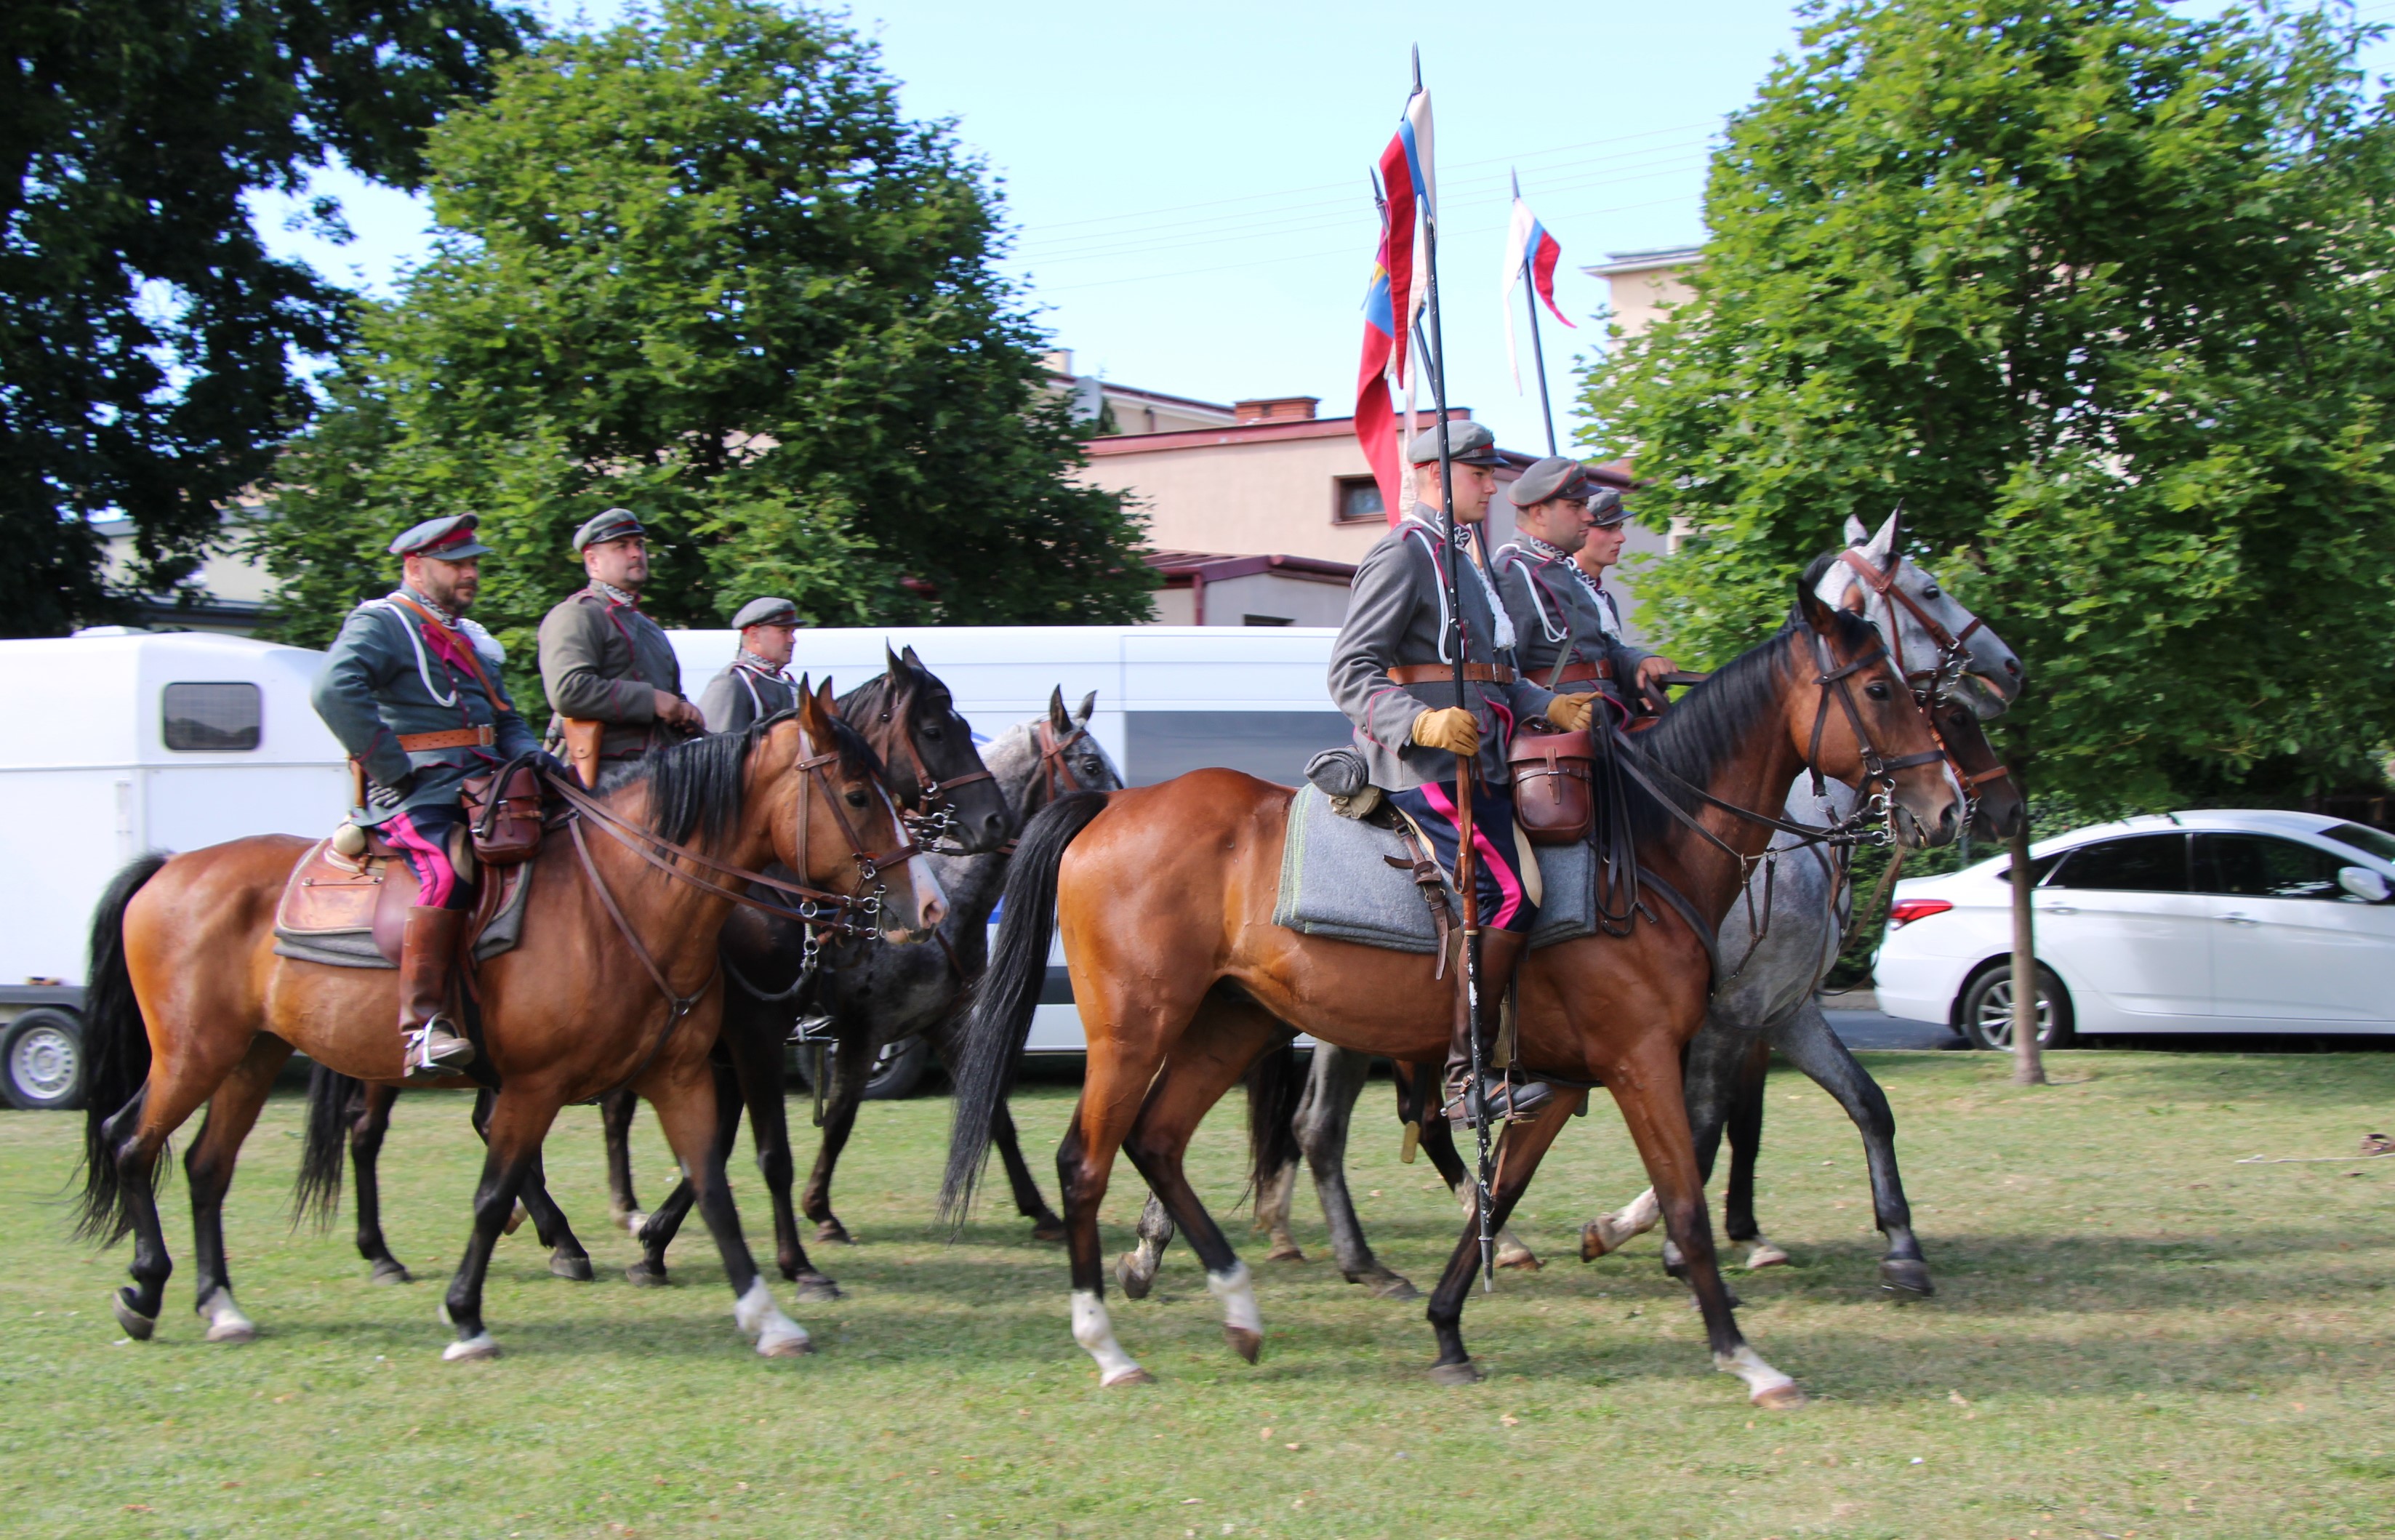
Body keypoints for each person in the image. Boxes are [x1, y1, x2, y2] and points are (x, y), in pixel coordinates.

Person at [1328, 422, 1597, 1128]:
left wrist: (1549, 704)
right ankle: (1466, 1074)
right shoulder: (1403, 555)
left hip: (1486, 760)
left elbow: (1493, 676)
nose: (1492, 486)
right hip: (1425, 766)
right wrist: (1418, 722)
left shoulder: (1466, 560)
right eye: (1480, 474)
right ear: (1437, 475)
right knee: (1508, 896)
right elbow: (1350, 671)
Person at [310, 514, 542, 1078]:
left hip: (486, 785)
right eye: (457, 564)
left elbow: (503, 717)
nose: (471, 574)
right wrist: (394, 769)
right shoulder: (382, 624)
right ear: (415, 567)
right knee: (449, 866)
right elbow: (332, 691)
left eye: (473, 564)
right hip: (416, 792)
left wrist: (536, 760)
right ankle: (424, 1025)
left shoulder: (466, 637)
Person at [1492, 458, 1675, 718]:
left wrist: (1638, 663)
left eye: (1585, 506)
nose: (1588, 517)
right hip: (1562, 732)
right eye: (1576, 507)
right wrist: (1548, 707)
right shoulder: (1512, 573)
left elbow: (1604, 650)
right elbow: (1502, 674)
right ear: (1539, 514)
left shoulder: (1568, 572)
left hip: (1609, 715)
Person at [537, 508, 702, 787]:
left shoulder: (649, 627)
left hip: (660, 772)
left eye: (638, 545)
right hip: (603, 781)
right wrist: (651, 700)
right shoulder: (576, 613)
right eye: (621, 547)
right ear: (593, 561)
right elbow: (568, 690)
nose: (636, 553)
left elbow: (669, 697)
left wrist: (683, 711)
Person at [1569, 487, 1676, 705]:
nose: (1621, 538)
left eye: (1619, 527)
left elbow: (1610, 665)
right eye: (1608, 528)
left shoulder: (1603, 599)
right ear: (1580, 530)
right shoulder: (1563, 593)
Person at [699, 595, 801, 734]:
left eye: (792, 632)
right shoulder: (731, 683)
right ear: (755, 635)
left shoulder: (786, 683)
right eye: (784, 631)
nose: (793, 640)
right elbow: (718, 750)